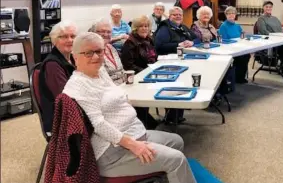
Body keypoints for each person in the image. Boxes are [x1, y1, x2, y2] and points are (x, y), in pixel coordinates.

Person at [62, 32, 197, 183]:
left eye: (99, 51)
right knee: (176, 159)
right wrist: (133, 145)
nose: (95, 57)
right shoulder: (79, 86)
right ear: (75, 57)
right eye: (88, 53)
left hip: (133, 133)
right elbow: (98, 125)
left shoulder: (100, 72)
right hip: (112, 151)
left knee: (176, 141)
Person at [120, 16, 160, 128]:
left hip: (151, 73)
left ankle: (169, 118)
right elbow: (128, 66)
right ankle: (146, 124)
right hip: (139, 77)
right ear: (135, 29)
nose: (144, 28)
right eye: (141, 26)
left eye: (146, 26)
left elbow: (154, 58)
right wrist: (147, 72)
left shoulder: (149, 40)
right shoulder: (130, 43)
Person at [38, 20, 77, 133]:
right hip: (61, 120)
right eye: (64, 37)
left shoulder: (73, 58)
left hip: (74, 111)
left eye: (73, 36)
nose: (70, 40)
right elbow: (66, 98)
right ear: (55, 40)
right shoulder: (52, 65)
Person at [218, 6, 251, 83]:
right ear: (226, 15)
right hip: (229, 48)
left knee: (246, 55)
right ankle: (238, 77)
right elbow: (224, 40)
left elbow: (242, 37)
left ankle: (240, 76)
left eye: (233, 13)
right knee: (241, 57)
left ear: (235, 15)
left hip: (239, 46)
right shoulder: (223, 26)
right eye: (229, 14)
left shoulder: (237, 26)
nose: (231, 15)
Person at [256, 0, 283, 74]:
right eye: (266, 7)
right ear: (263, 8)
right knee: (282, 46)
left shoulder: (275, 18)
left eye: (270, 7)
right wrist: (275, 36)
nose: (268, 8)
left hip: (278, 38)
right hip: (268, 40)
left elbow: (280, 29)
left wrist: (282, 34)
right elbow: (264, 31)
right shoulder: (261, 19)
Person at [88, 18, 124, 85]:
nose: (106, 34)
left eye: (108, 32)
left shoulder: (111, 47)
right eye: (102, 31)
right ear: (93, 32)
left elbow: (121, 70)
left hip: (122, 86)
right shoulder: (91, 53)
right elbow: (99, 80)